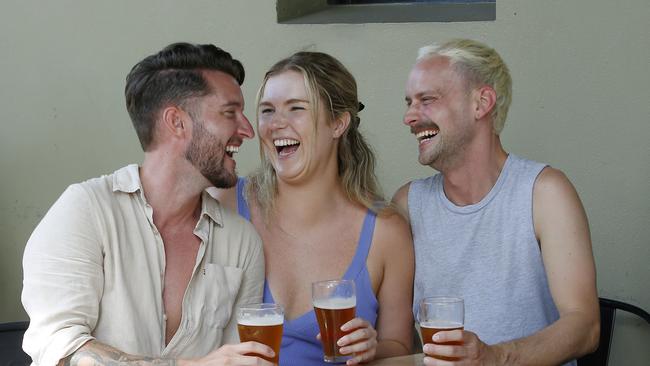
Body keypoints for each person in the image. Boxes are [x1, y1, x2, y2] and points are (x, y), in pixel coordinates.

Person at [21, 43, 276, 365]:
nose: (248, 130)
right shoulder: (85, 210)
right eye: (229, 113)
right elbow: (62, 351)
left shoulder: (242, 241)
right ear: (177, 122)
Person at [392, 39, 600, 365]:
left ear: (482, 102)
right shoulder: (407, 204)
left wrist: (495, 358)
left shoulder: (545, 193)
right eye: (408, 102)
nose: (409, 117)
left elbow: (585, 326)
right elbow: (398, 340)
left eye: (427, 100)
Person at [212, 51, 415, 365]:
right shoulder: (223, 203)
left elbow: (400, 348)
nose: (276, 124)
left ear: (337, 123)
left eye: (296, 109)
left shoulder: (386, 232)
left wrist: (372, 347)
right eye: (267, 110)